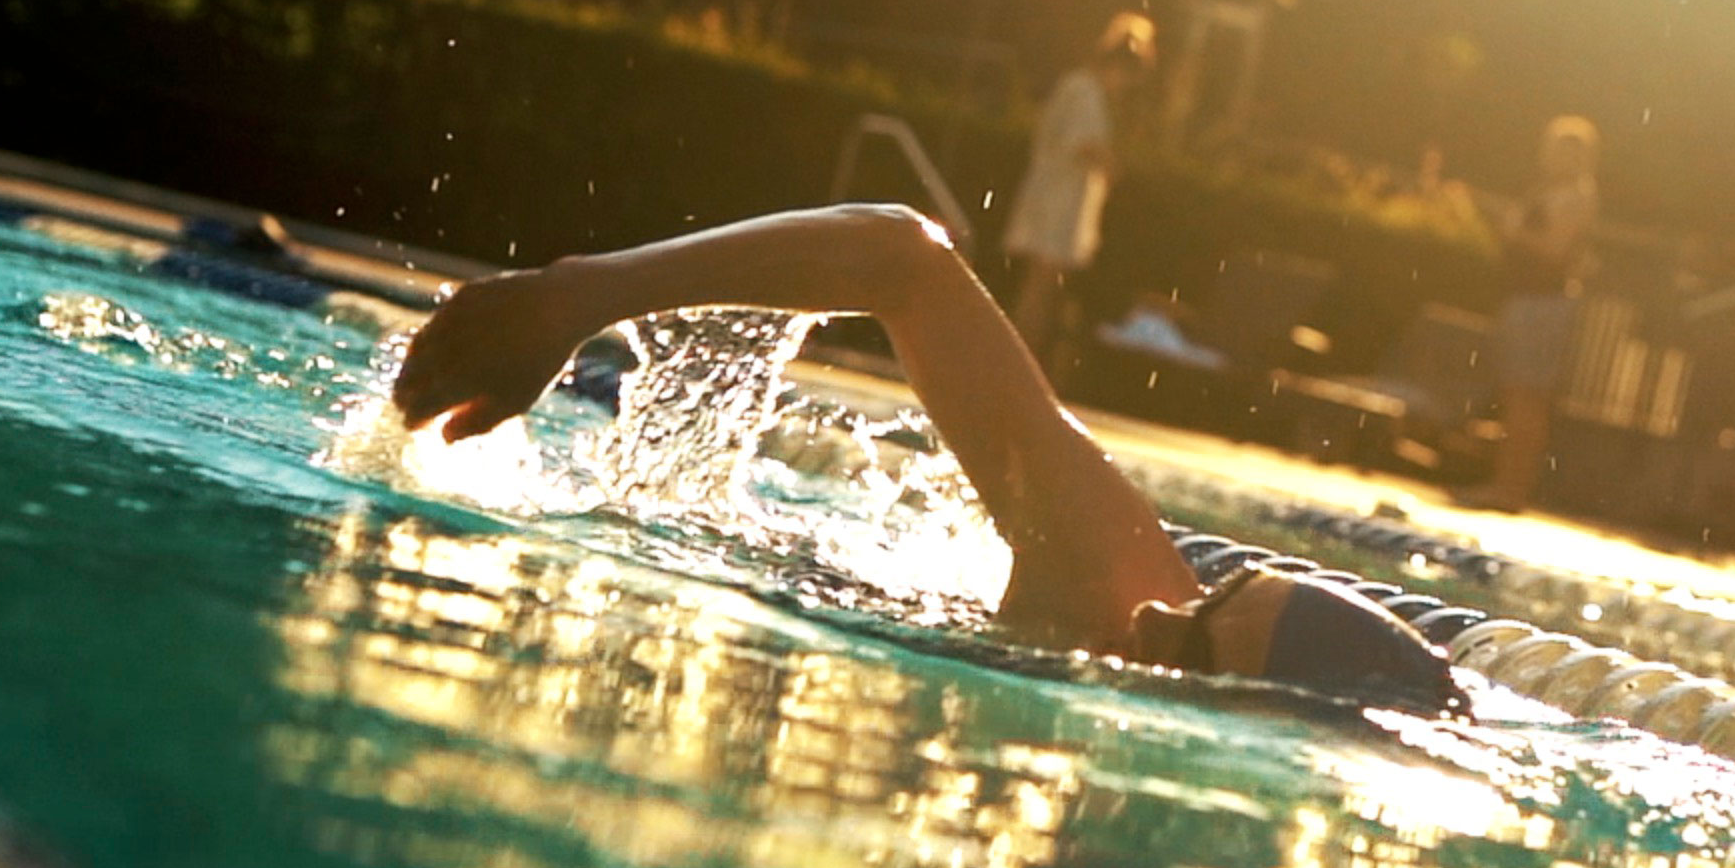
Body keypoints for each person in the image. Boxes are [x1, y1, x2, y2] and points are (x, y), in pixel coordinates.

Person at [387, 201, 1464, 713]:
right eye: (1207, 594)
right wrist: (583, 296)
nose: (1152, 613)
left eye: (1190, 648)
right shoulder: (1110, 584)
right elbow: (898, 255)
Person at [1004, 12, 1154, 367]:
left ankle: (1022, 358)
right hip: (1056, 203)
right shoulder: (1084, 91)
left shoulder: (1080, 88)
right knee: (1040, 288)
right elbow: (1085, 145)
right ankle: (1019, 360)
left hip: (1060, 201)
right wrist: (1113, 169)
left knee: (1042, 286)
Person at [1485, 116, 1600, 513]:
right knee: (1515, 394)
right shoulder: (1548, 191)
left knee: (1528, 398)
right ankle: (1502, 484)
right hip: (1526, 298)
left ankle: (1512, 489)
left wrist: (1513, 230)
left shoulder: (1574, 197)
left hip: (1544, 304)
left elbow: (1554, 249)